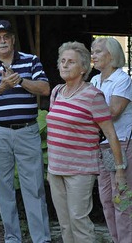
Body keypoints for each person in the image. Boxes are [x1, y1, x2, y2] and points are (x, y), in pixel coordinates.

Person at [0, 20, 51, 243]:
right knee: (3, 187)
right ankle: (12, 238)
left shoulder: (31, 61)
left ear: (13, 39)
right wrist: (3, 86)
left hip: (27, 130)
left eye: (6, 36)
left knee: (34, 187)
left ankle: (41, 239)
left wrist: (20, 80)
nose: (3, 41)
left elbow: (45, 88)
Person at [46, 41, 126, 243]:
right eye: (62, 61)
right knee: (65, 224)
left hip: (80, 169)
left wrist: (119, 170)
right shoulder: (56, 92)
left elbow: (110, 134)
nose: (64, 65)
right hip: (55, 169)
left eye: (71, 62)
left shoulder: (93, 96)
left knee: (79, 223)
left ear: (83, 68)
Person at [90, 37, 132, 243]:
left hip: (122, 143)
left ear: (112, 55)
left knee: (123, 200)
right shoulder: (94, 80)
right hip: (101, 144)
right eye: (92, 51)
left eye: (98, 51)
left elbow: (113, 112)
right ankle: (115, 239)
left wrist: (87, 111)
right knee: (106, 199)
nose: (93, 55)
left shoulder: (122, 80)